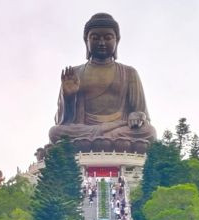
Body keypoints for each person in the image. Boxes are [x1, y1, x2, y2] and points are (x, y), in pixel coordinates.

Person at [48, 13, 157, 153]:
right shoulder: (75, 73)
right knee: (55, 132)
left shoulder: (129, 72)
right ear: (86, 41)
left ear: (117, 40)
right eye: (95, 38)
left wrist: (137, 116)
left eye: (107, 38)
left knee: (149, 132)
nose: (101, 43)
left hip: (118, 130)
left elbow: (142, 114)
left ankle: (103, 139)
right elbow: (63, 122)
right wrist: (68, 97)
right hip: (86, 131)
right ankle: (104, 139)